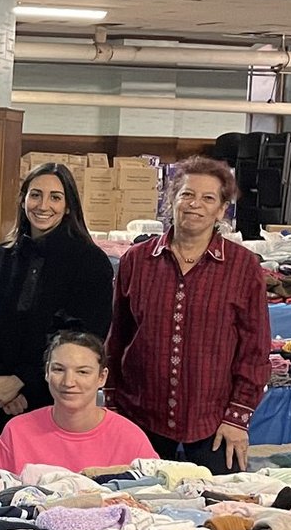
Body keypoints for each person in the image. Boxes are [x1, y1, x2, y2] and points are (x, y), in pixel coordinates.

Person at [106, 156, 270, 471]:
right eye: (187, 194)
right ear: (172, 199)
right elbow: (117, 337)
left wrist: (238, 417)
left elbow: (255, 349)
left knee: (222, 498)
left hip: (214, 421)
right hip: (140, 414)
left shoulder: (244, 266)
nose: (195, 204)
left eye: (208, 198)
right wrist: (112, 403)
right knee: (136, 495)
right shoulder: (136, 261)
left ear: (222, 210)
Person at [0, 163, 114, 448]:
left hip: (59, 398)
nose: (43, 205)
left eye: (55, 197)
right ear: (23, 200)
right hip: (1, 400)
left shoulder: (91, 263)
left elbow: (85, 338)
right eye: (35, 195)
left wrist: (22, 380)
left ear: (68, 206)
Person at [0, 332, 155, 475]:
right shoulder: (16, 432)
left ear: (102, 377)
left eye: (82, 372)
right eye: (59, 370)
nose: (68, 382)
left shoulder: (131, 438)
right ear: (47, 372)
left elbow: (155, 493)